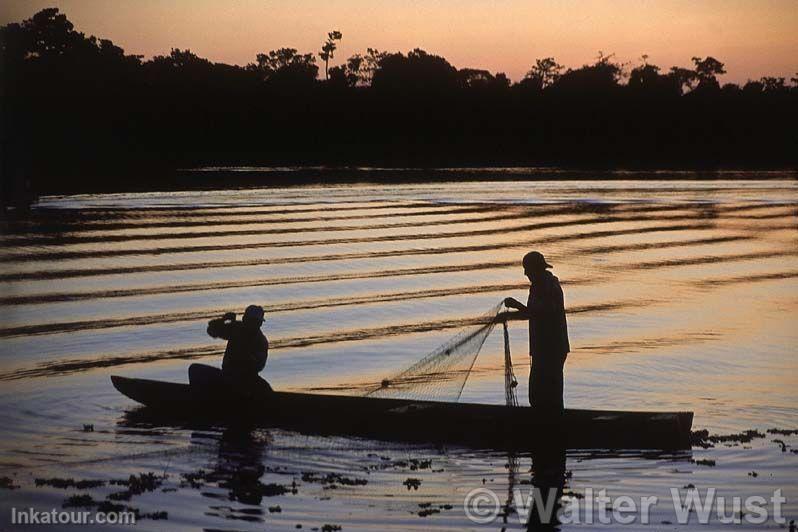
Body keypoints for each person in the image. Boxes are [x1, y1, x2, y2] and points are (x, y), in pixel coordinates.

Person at [500, 251, 570, 411]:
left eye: (527, 269)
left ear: (535, 269)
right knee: (541, 395)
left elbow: (542, 313)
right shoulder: (540, 285)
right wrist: (513, 312)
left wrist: (517, 307)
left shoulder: (548, 286)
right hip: (544, 349)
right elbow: (534, 312)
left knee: (545, 394)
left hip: (551, 349)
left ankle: (551, 427)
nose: (525, 273)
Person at [206, 305, 271, 393]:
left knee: (265, 389)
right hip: (227, 375)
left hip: (248, 379)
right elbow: (211, 331)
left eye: (257, 322)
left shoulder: (261, 341)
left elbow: (259, 366)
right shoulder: (236, 328)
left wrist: (245, 355)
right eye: (252, 321)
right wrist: (223, 320)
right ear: (245, 319)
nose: (255, 325)